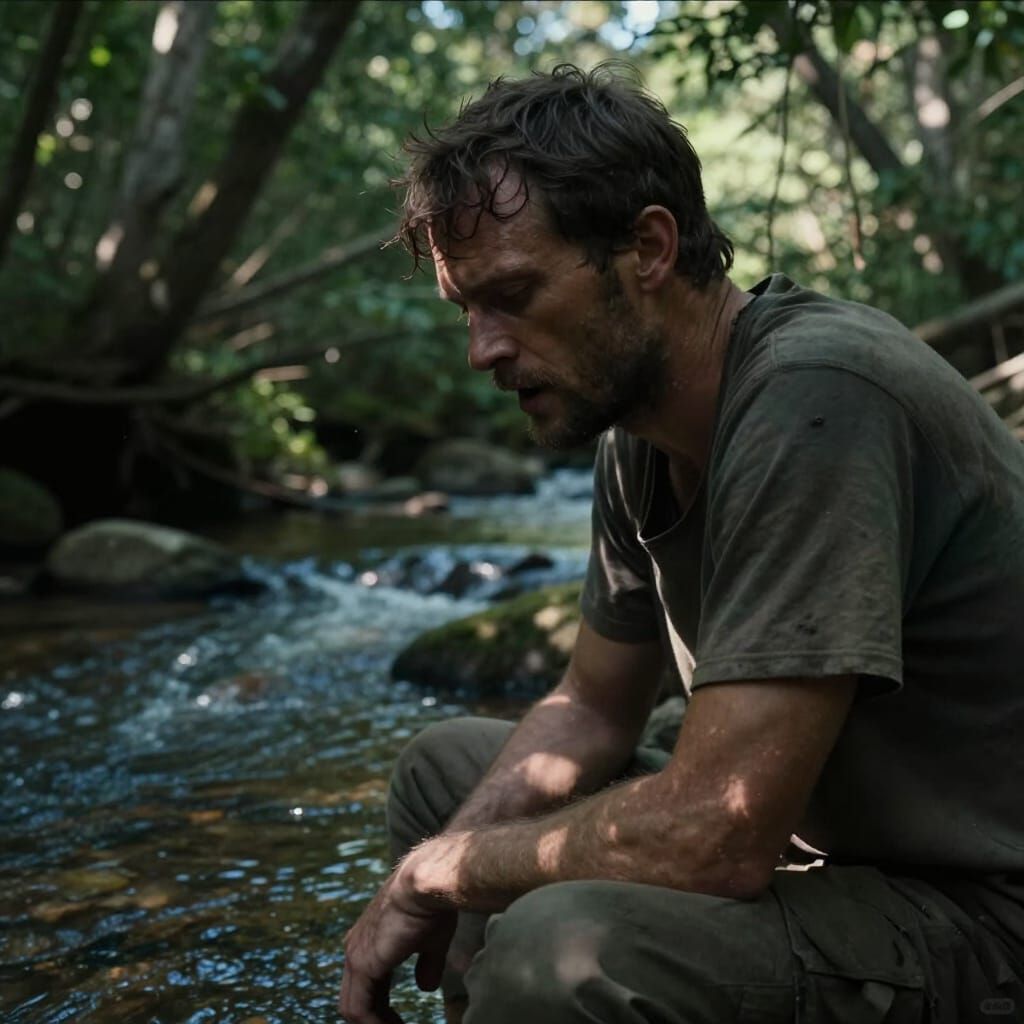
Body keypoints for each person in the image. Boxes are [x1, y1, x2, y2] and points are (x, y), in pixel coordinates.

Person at [339, 64, 1024, 1024]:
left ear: (648, 248)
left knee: (558, 954)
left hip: (983, 914)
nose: (482, 351)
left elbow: (720, 834)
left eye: (512, 294)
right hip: (824, 850)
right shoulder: (641, 438)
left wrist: (440, 875)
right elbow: (588, 708)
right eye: (467, 309)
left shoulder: (819, 396)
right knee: (445, 773)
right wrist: (437, 866)